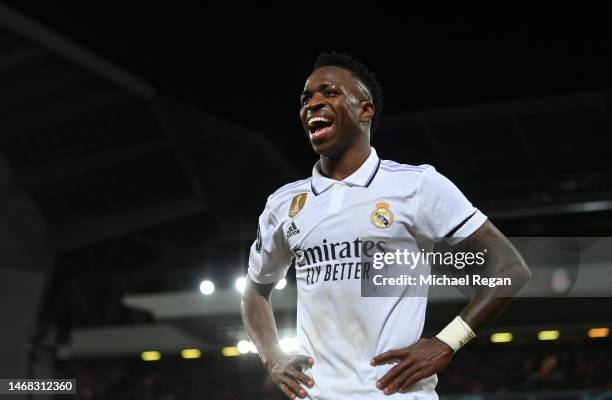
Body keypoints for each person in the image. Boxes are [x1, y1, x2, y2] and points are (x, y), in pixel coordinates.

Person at [241, 52, 530, 399]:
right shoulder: (283, 204)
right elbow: (255, 289)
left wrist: (447, 342)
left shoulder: (417, 185)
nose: (313, 103)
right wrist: (272, 356)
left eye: (328, 92)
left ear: (365, 109)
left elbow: (510, 268)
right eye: (306, 98)